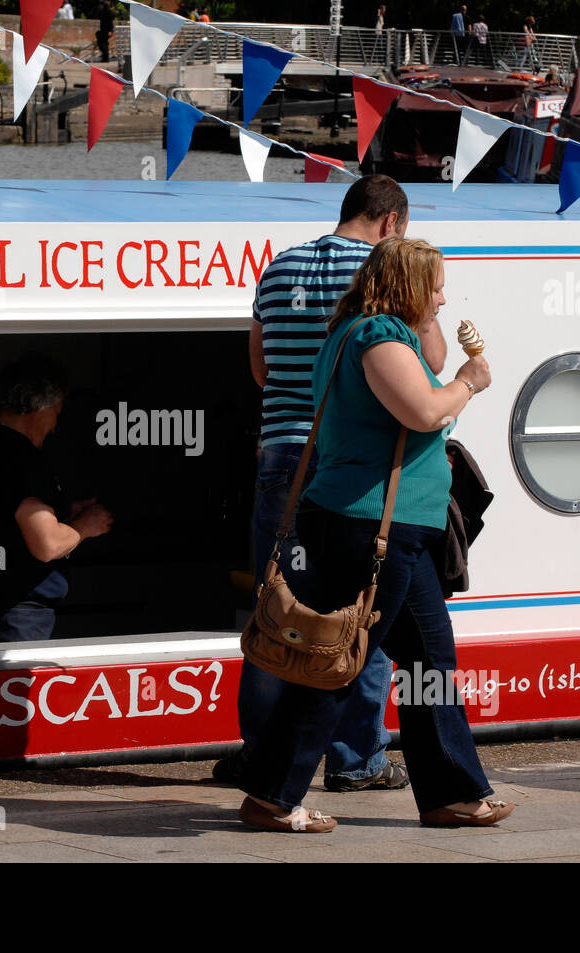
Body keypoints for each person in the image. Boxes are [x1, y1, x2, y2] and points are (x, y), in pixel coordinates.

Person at [237, 237, 512, 833]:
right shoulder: (378, 337)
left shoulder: (372, 333)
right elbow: (425, 410)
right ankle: (272, 797)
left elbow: (423, 380)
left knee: (428, 659)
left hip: (392, 530)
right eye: (435, 285)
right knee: (339, 659)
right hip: (368, 527)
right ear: (409, 286)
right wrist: (469, 380)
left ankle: (451, 794)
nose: (443, 295)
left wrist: (437, 337)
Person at [216, 176, 413, 794]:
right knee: (362, 608)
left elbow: (258, 367)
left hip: (280, 455)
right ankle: (357, 759)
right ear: (390, 224)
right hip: (349, 462)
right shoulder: (386, 271)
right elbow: (410, 371)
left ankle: (262, 757)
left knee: (277, 608)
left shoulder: (277, 267)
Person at [0, 354, 113, 645]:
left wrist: (61, 511)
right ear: (38, 406)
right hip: (13, 618)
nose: (55, 425)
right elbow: (47, 544)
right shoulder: (21, 457)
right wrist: (85, 525)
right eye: (56, 411)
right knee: (9, 692)